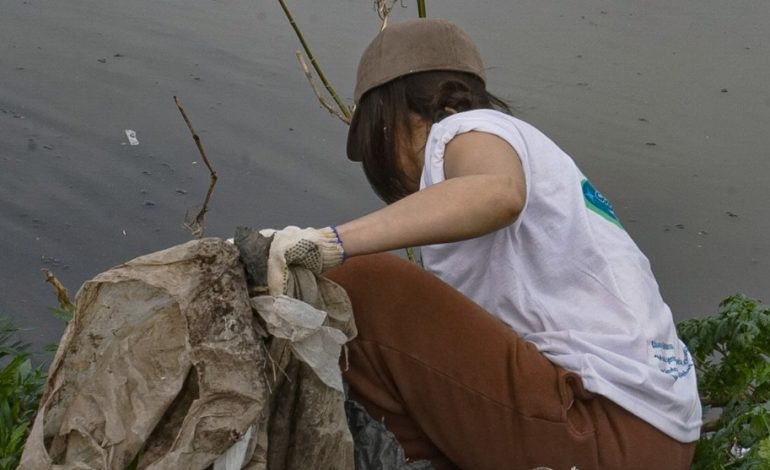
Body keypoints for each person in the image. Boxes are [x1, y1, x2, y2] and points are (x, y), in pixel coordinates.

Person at [262, 18, 701, 470]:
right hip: (652, 438)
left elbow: (497, 192)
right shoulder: (537, 157)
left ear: (388, 116)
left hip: (602, 428)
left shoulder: (466, 129)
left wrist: (330, 243)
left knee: (364, 284)